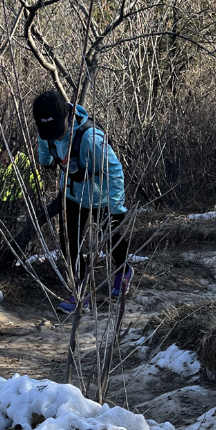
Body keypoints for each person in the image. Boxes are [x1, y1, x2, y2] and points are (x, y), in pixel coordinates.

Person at [31, 89, 131, 314]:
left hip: (103, 196)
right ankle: (80, 291)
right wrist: (45, 160)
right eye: (48, 131)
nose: (54, 135)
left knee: (112, 237)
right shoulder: (47, 132)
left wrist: (116, 206)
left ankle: (123, 271)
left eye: (56, 129)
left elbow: (114, 169)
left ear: (67, 115)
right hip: (72, 194)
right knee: (69, 244)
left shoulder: (90, 138)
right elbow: (45, 148)